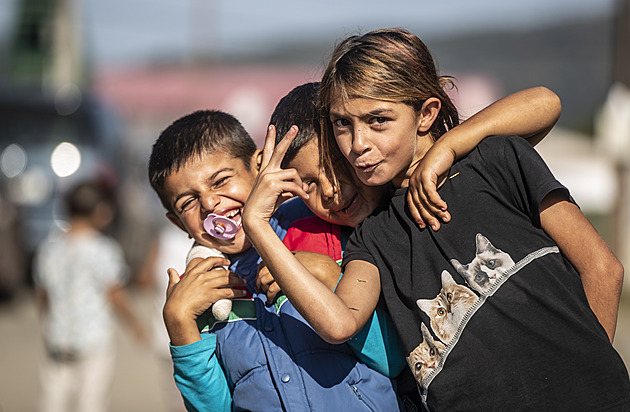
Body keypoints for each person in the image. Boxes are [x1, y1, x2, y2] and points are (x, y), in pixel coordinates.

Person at [242, 28, 630, 411]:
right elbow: (339, 323)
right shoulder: (372, 238)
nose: (357, 143)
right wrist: (257, 225)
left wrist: (587, 377)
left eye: (378, 120)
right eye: (343, 123)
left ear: (426, 114)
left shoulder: (494, 160)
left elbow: (602, 269)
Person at [254, 81, 563, 406]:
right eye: (309, 184)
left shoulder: (443, 177)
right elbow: (389, 351)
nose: (329, 191)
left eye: (333, 166)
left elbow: (545, 101)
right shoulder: (353, 237)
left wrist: (448, 147)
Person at [147, 110, 401, 411]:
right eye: (187, 202)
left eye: (221, 181)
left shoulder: (326, 228)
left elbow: (393, 360)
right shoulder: (198, 296)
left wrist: (329, 275)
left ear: (259, 167)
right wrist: (180, 329)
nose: (209, 203)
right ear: (178, 223)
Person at [33, 180, 147, 412]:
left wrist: (48, 320)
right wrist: (134, 324)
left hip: (57, 338)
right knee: (91, 402)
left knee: (53, 399)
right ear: (100, 211)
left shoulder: (49, 248)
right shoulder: (103, 250)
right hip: (94, 340)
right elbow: (115, 294)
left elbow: (42, 294)